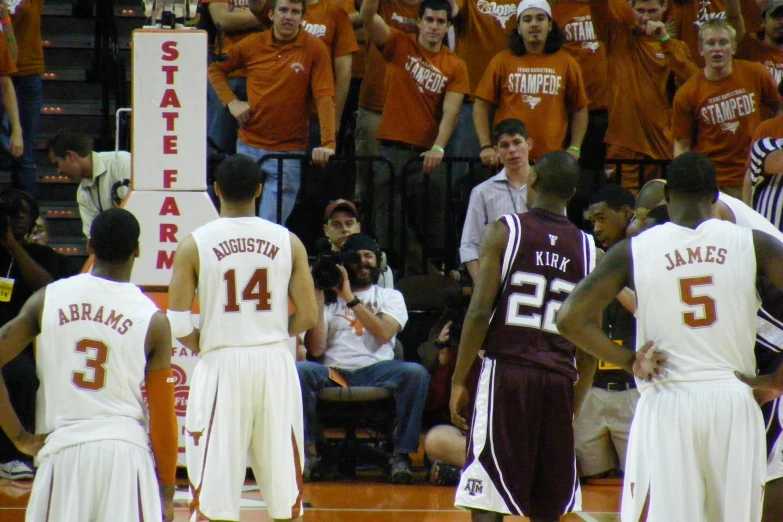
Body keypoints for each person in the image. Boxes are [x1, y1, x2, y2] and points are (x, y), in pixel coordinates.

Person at [556, 151, 783, 522]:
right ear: (715, 197)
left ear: (668, 197)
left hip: (666, 399)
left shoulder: (633, 250)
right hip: (733, 398)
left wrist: (629, 360)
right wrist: (777, 379)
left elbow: (569, 319)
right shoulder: (752, 242)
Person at [0, 208, 178, 522]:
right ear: (137, 248)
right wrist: (165, 491)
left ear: (90, 247)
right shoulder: (153, 320)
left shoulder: (48, 299)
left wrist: (20, 438)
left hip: (63, 452)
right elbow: (164, 417)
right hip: (125, 457)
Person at [167, 155, 317, 521]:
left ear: (216, 190)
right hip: (274, 363)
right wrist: (272, 332)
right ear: (260, 190)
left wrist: (208, 344)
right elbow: (310, 315)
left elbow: (177, 322)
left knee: (215, 497)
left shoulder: (194, 244)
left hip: (221, 364)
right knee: (284, 493)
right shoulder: (288, 241)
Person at [451, 151, 597, 521]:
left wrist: (458, 378)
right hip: (560, 377)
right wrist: (575, 404)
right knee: (547, 501)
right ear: (572, 193)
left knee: (487, 493)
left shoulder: (505, 229)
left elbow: (480, 311)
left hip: (507, 371)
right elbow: (590, 342)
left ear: (532, 181)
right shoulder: (588, 249)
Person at [299, 232, 429, 484]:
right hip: (335, 374)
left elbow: (383, 334)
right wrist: (317, 292)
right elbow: (315, 349)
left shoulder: (390, 297)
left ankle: (401, 455)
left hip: (378, 370)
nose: (362, 262)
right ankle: (309, 453)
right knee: (300, 370)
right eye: (355, 257)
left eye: (368, 256)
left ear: (378, 262)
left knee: (416, 373)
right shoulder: (326, 301)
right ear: (344, 264)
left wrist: (350, 298)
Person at [208, 0, 337, 225]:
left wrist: (328, 143)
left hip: (288, 152)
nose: (289, 16)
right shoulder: (252, 44)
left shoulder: (316, 49)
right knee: (236, 224)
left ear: (302, 17)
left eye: (295, 12)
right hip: (248, 146)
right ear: (271, 14)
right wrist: (232, 103)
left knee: (270, 230)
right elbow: (216, 68)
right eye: (283, 10)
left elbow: (325, 96)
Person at [361, 0, 469, 257]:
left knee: (433, 226)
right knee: (388, 223)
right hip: (391, 150)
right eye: (429, 20)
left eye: (440, 22)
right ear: (419, 22)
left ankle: (435, 275)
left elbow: (451, 112)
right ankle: (389, 273)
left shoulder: (456, 65)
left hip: (427, 156)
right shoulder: (398, 42)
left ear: (448, 26)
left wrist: (438, 147)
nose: (434, 26)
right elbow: (367, 17)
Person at [0, 189, 76, 481]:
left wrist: (12, 245)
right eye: (11, 212)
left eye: (24, 213)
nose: (17, 218)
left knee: (22, 376)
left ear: (33, 219)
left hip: (19, 344)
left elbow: (49, 291)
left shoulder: (42, 256)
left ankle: (13, 455)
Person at [590, 0, 698, 190]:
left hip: (663, 146)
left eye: (652, 11)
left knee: (662, 213)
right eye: (640, 11)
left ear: (665, 8)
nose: (646, 17)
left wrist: (664, 41)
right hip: (625, 146)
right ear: (629, 7)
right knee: (625, 213)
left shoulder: (675, 46)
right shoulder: (616, 37)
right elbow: (598, 5)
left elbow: (696, 85)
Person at [672, 19, 781, 197]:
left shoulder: (756, 73)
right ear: (700, 49)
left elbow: (779, 108)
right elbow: (682, 145)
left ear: (734, 47)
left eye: (723, 42)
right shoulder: (687, 93)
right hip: (713, 182)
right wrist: (684, 182)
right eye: (710, 43)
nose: (717, 48)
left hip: (756, 174)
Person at [474, 0, 588, 166]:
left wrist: (575, 148)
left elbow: (580, 108)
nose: (534, 24)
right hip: (508, 158)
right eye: (527, 20)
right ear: (519, 27)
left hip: (551, 161)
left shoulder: (567, 63)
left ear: (550, 25)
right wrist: (486, 146)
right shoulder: (501, 61)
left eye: (540, 18)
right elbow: (481, 105)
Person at [578, 185, 639, 481]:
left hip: (633, 389)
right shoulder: (589, 257)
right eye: (592, 222)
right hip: (593, 390)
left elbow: (646, 309)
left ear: (627, 214)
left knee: (640, 480)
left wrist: (606, 276)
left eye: (602, 219)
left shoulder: (647, 255)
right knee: (592, 480)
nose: (597, 228)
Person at [460, 119, 532, 282]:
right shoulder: (482, 192)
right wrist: (482, 288)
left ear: (529, 144)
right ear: (496, 151)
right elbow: (469, 246)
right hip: (497, 276)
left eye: (517, 143)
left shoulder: (547, 187)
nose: (512, 150)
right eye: (505, 145)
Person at [202, 0, 268, 155]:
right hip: (228, 75)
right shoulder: (270, 14)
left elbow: (286, 16)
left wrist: (237, 15)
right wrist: (265, 17)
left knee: (263, 149)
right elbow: (221, 20)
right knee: (218, 146)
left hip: (268, 73)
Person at [46, 128, 132, 238]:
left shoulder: (122, 162)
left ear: (70, 156)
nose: (58, 171)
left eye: (57, 164)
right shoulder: (82, 193)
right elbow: (93, 240)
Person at [4, 0, 43, 198]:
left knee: (23, 152)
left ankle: (27, 215)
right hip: (3, 75)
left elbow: (13, 53)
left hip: (27, 71)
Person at [322, 198, 394, 288]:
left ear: (358, 227)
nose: (344, 229)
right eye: (336, 225)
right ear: (326, 230)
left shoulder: (376, 269)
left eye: (349, 223)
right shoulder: (320, 268)